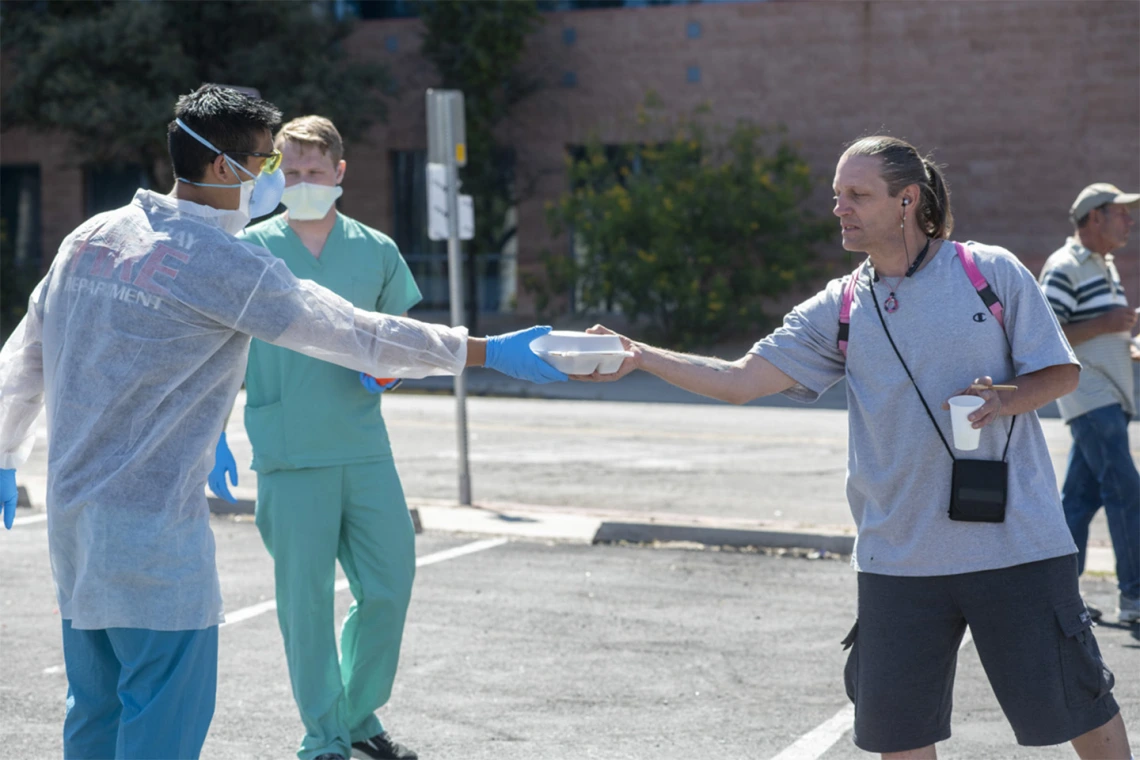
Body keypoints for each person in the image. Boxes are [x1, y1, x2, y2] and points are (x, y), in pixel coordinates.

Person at [0, 84, 565, 760]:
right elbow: (354, 332)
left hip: (74, 532)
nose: (273, 180)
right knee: (159, 722)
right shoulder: (224, 263)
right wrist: (485, 350)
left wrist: (5, 453)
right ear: (221, 168)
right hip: (153, 549)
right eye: (267, 164)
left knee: (92, 714)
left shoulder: (89, 239)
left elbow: (25, 357)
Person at [573, 137, 1131, 759]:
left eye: (857, 195)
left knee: (1081, 708)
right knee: (900, 739)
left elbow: (1062, 373)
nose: (840, 208)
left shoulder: (988, 273)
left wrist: (1003, 398)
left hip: (1015, 546)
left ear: (907, 200)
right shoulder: (840, 306)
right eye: (837, 195)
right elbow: (740, 380)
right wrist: (641, 356)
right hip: (897, 559)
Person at [209, 114, 420, 760]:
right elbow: (219, 350)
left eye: (314, 171)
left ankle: (354, 716)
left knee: (389, 587)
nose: (303, 181)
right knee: (304, 609)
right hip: (290, 452)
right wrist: (211, 431)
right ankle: (325, 738)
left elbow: (401, 344)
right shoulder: (250, 250)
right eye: (290, 171)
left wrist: (393, 375)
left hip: (363, 447)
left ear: (339, 174)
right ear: (276, 173)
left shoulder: (378, 251)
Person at [1038, 183, 1140, 625]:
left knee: (1079, 500)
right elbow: (1043, 337)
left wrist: (1124, 341)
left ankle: (1056, 596)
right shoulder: (1065, 266)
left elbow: (1097, 332)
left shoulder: (1105, 265)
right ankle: (1135, 599)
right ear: (1094, 217)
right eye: (1121, 213)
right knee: (1127, 493)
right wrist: (1107, 323)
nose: (1130, 221)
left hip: (1110, 397)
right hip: (1089, 396)